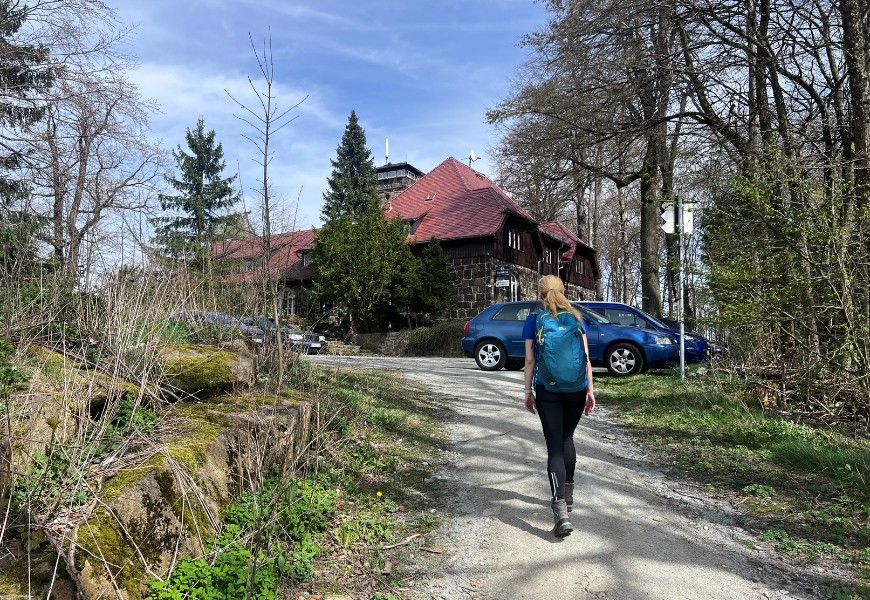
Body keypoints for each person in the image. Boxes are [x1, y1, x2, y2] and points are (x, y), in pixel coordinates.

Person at [522, 275, 595, 537]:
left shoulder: (534, 320)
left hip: (548, 389)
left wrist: (527, 391)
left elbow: (530, 361)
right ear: (563, 291)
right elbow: (586, 359)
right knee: (567, 439)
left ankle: (561, 510)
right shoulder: (576, 318)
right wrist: (590, 391)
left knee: (554, 447)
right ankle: (570, 496)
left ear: (539, 294)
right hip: (576, 390)